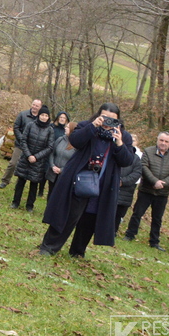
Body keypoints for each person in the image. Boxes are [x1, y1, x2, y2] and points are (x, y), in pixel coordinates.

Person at [38, 103, 135, 257]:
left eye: (112, 119)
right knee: (68, 214)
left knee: (89, 219)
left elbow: (127, 161)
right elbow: (75, 141)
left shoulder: (124, 136)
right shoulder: (87, 126)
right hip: (78, 180)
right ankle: (48, 247)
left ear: (118, 120)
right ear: (98, 115)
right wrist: (93, 127)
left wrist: (119, 143)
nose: (107, 121)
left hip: (102, 185)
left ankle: (77, 251)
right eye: (104, 117)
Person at [123, 132, 169, 251]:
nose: (163, 143)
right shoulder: (148, 151)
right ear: (157, 140)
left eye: (166, 141)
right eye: (161, 140)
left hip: (162, 193)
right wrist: (154, 181)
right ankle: (130, 234)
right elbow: (144, 167)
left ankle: (154, 242)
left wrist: (163, 183)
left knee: (157, 218)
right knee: (137, 213)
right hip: (146, 190)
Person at [11, 105, 53, 212]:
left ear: (48, 117)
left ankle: (30, 206)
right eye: (42, 115)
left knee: (34, 184)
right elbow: (23, 140)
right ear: (39, 115)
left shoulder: (50, 130)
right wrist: (28, 155)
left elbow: (49, 147)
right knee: (21, 181)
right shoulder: (30, 125)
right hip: (26, 158)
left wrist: (36, 157)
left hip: (38, 161)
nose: (44, 117)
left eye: (46, 115)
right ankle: (15, 202)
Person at [1, 99, 41, 188]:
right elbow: (16, 127)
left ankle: (18, 186)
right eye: (33, 105)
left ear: (40, 107)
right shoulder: (23, 114)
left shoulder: (40, 119)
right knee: (13, 163)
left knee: (24, 168)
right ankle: (5, 181)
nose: (34, 107)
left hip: (31, 148)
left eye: (37, 106)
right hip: (20, 145)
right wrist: (22, 139)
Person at [115, 140, 144, 233]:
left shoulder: (136, 159)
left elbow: (136, 174)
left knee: (118, 214)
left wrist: (122, 181)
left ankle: (113, 232)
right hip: (111, 189)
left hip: (126, 192)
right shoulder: (114, 154)